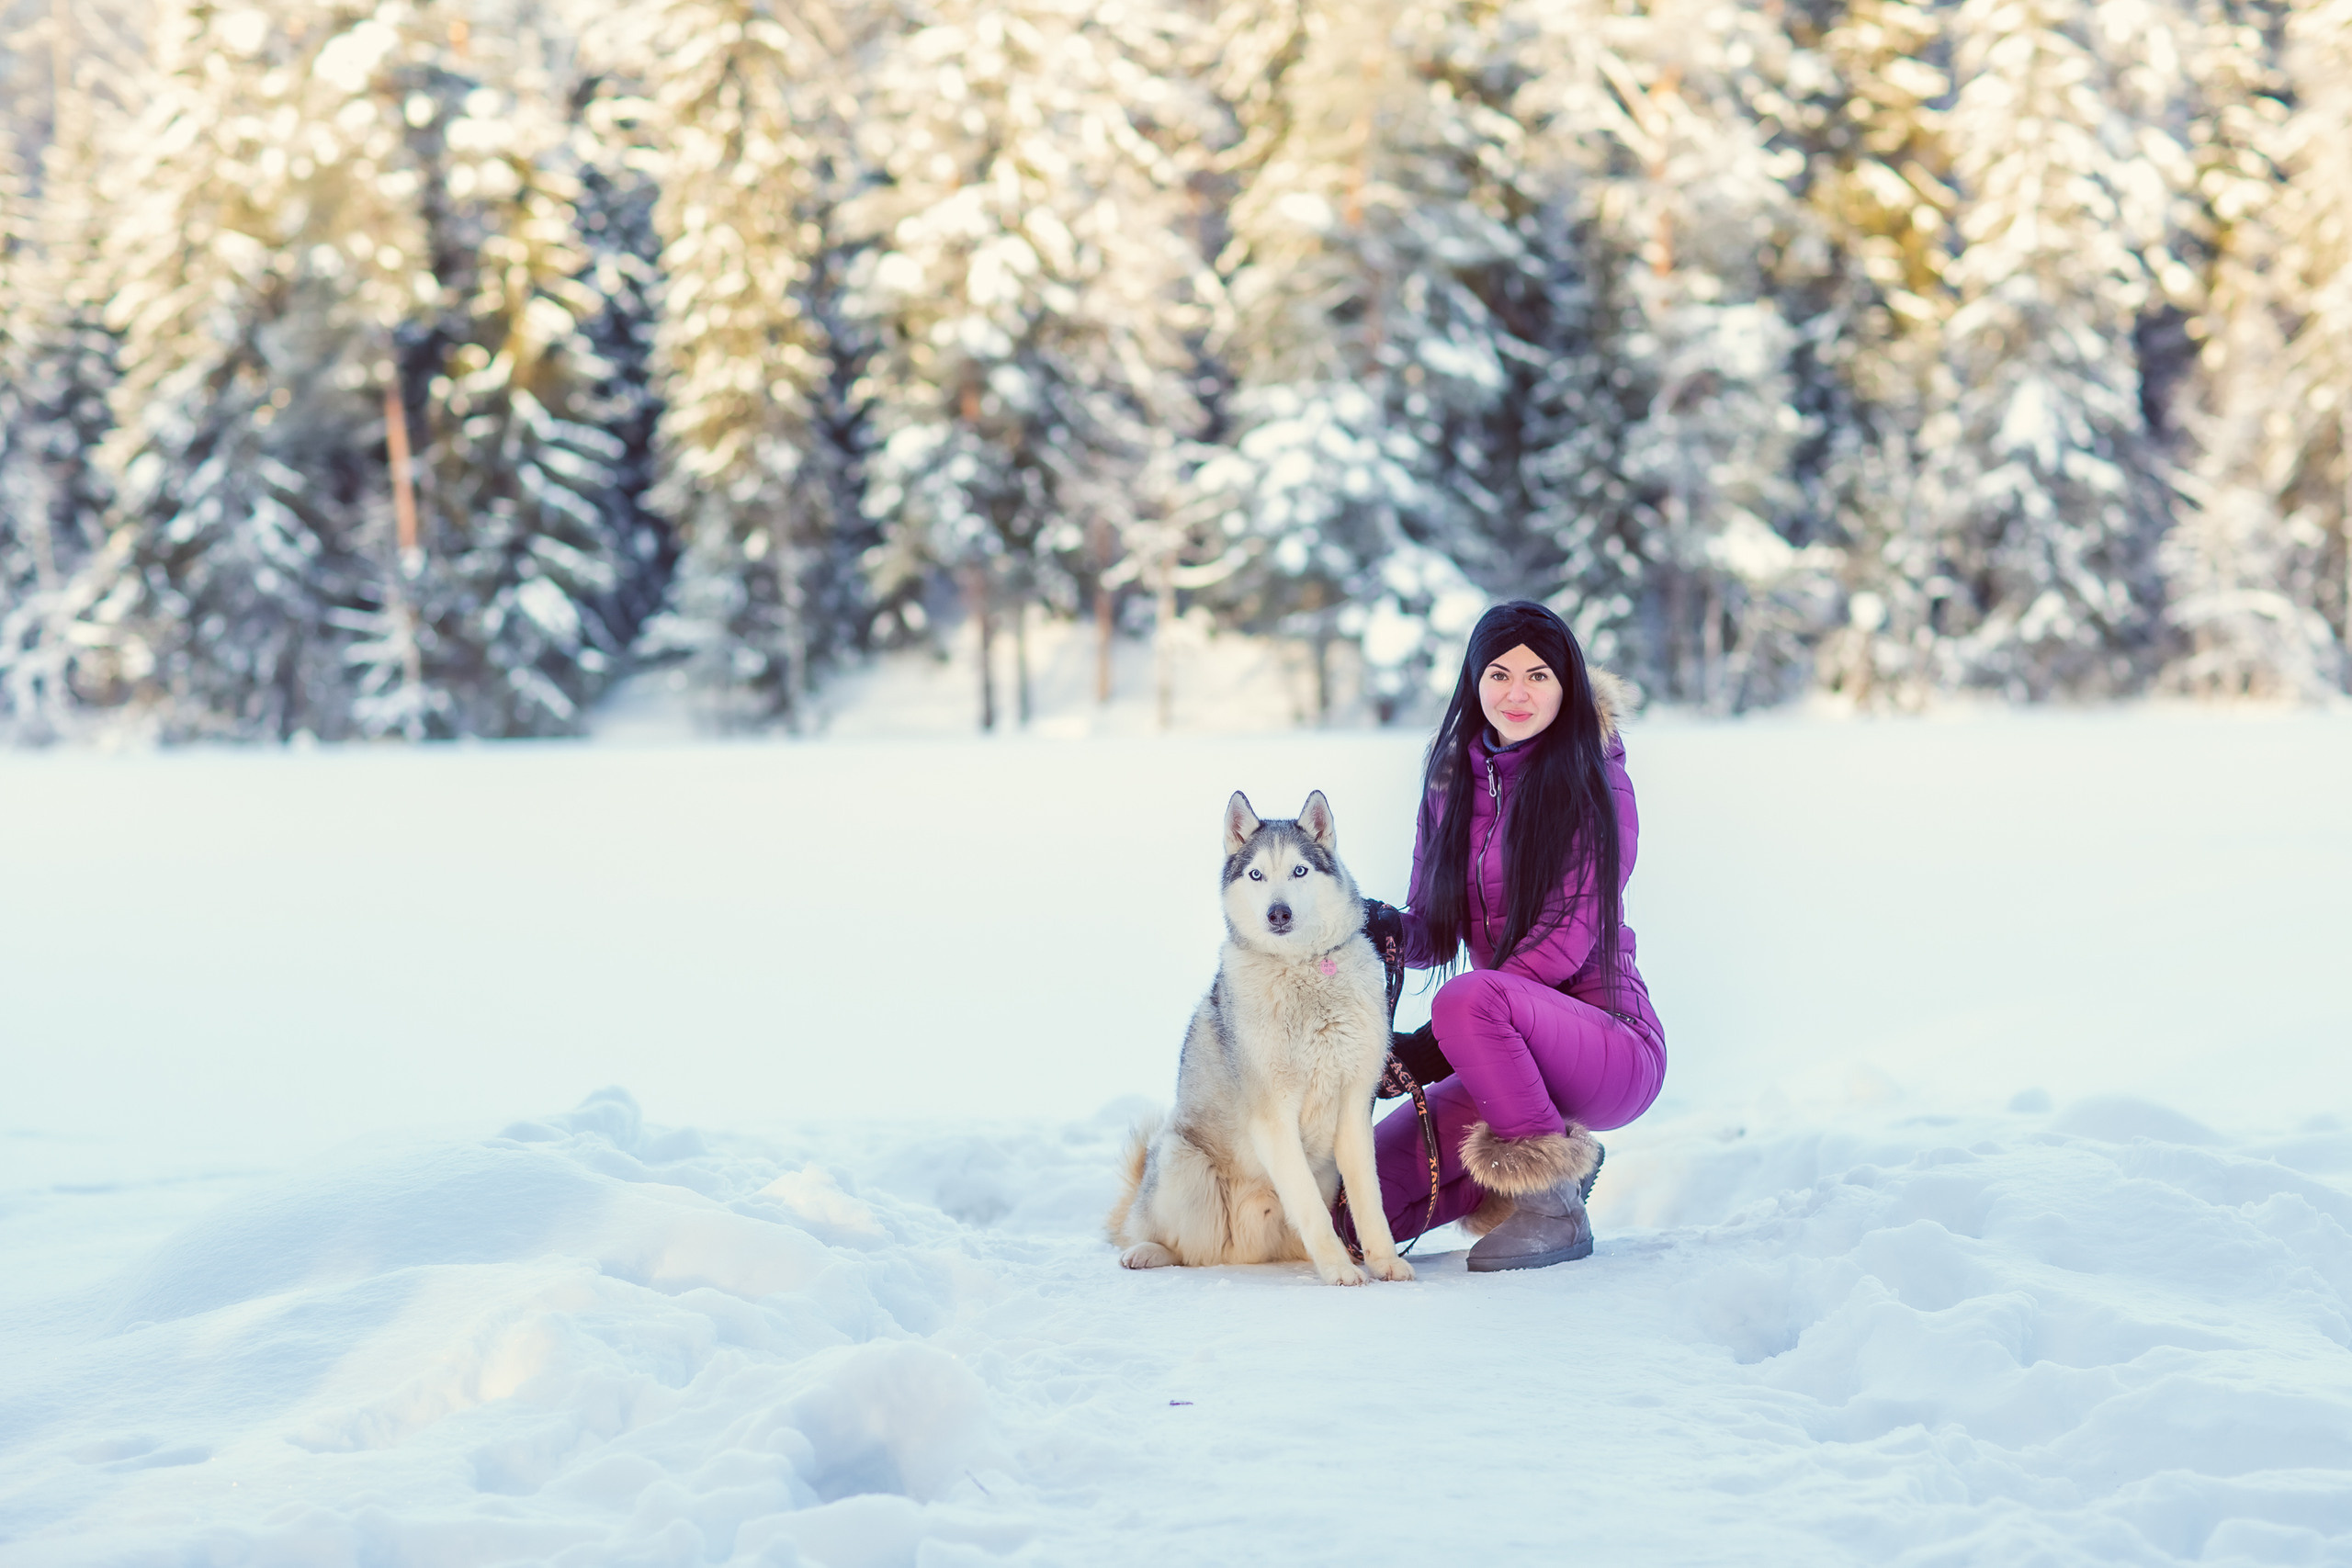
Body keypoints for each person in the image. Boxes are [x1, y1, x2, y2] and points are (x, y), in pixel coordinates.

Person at [1361, 600, 1666, 1271]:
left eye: (1538, 675)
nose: (1517, 693)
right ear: (1474, 682)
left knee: (1466, 1001)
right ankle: (1530, 1150)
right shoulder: (1448, 781)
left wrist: (1436, 1046)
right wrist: (1371, 925)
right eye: (1499, 674)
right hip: (1498, 1051)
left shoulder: (1598, 777)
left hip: (1607, 1041)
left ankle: (1552, 1206)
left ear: (1567, 685)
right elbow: (1435, 932)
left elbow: (1565, 941)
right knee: (1351, 1210)